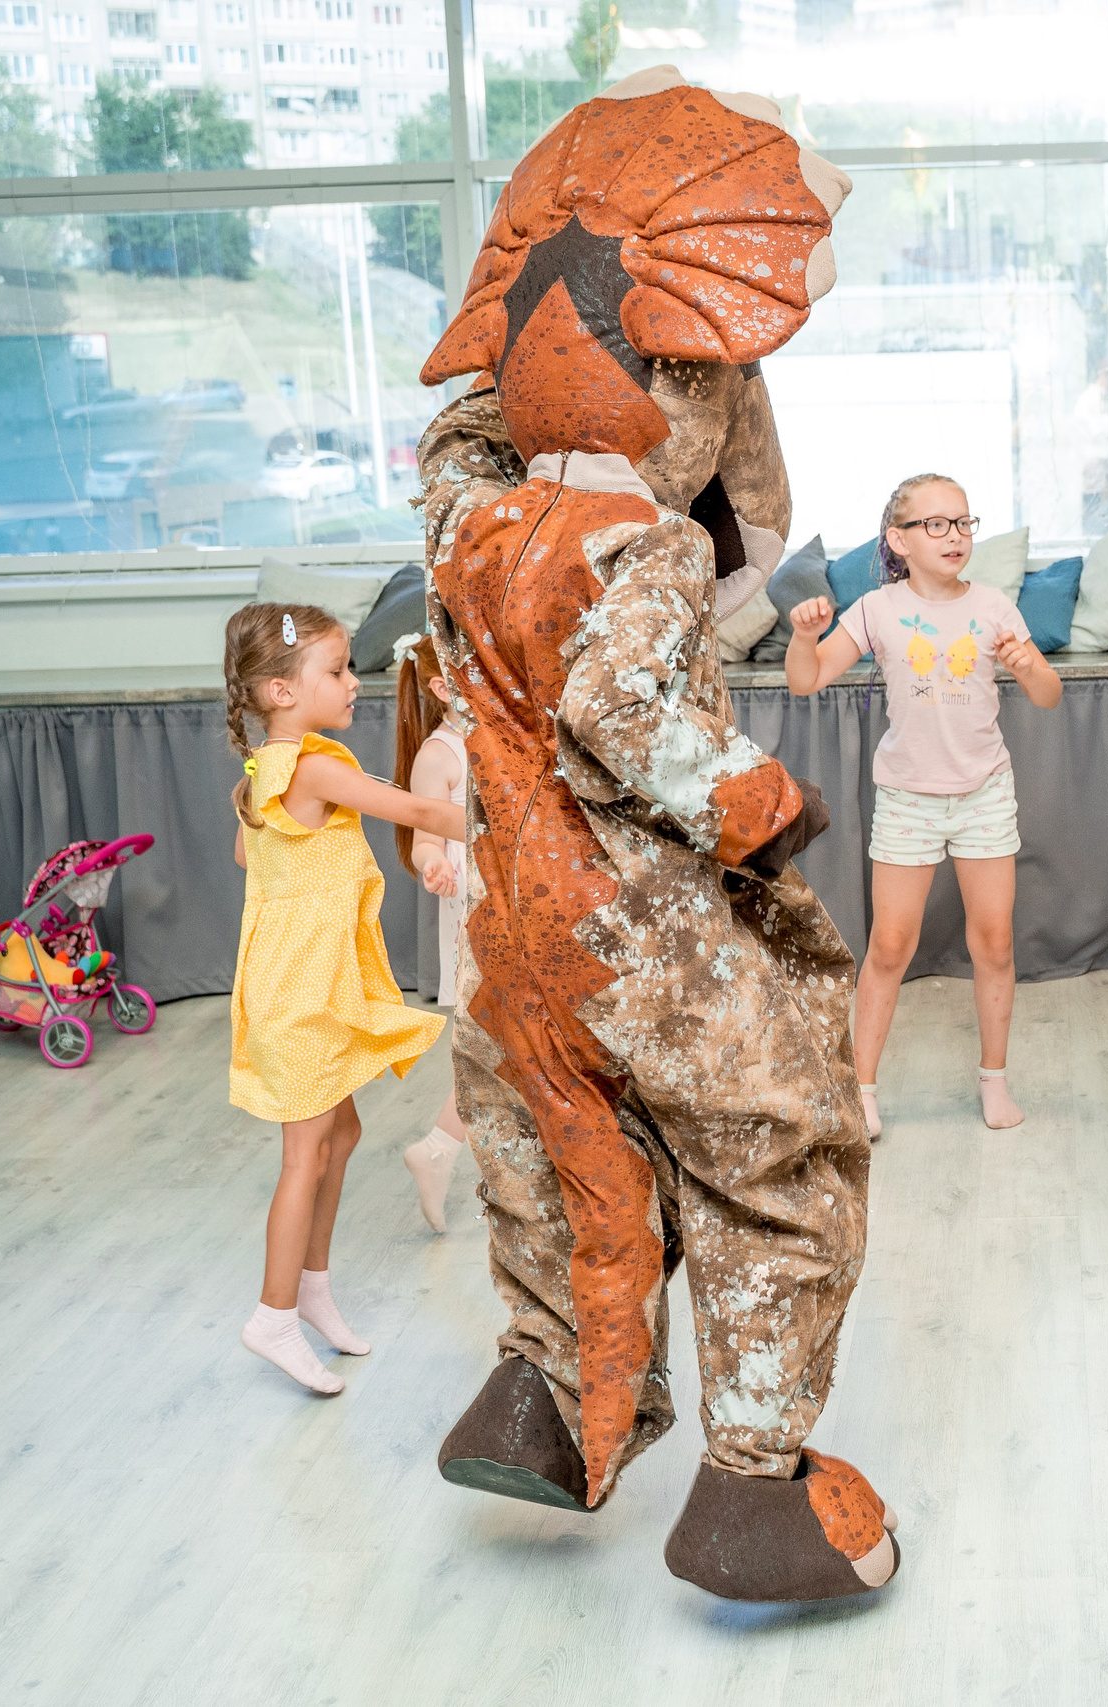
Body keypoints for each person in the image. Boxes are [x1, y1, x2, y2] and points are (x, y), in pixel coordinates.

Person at [413, 70, 897, 1603]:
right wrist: (764, 799)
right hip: (643, 926)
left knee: (557, 1152)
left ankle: (550, 1397)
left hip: (514, 933)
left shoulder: (460, 519)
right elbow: (629, 712)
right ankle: (754, 1487)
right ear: (681, 379)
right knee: (775, 1153)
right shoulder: (650, 541)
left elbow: (463, 435)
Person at [223, 601, 464, 1394]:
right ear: (279, 692)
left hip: (304, 978)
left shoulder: (268, 769)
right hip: (300, 988)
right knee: (304, 1155)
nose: (352, 681)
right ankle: (273, 1314)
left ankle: (315, 1289)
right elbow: (421, 811)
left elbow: (244, 854)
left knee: (342, 1132)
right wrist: (518, 825)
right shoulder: (314, 767)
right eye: (334, 670)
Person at [785, 472, 1063, 1135]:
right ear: (898, 539)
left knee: (994, 943)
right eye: (936, 524)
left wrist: (1026, 664)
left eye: (963, 522)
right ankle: (863, 1091)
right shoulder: (877, 609)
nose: (955, 535)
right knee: (889, 946)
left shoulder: (995, 606)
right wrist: (803, 636)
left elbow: (1048, 695)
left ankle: (994, 1080)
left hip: (984, 793)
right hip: (908, 797)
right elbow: (808, 680)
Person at [391, 629, 468, 1233]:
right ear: (444, 687)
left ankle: (441, 1149)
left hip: (535, 901)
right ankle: (440, 1147)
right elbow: (425, 835)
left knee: (517, 1044)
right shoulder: (439, 756)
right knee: (508, 1042)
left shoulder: (504, 733)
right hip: (481, 912)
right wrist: (434, 863)